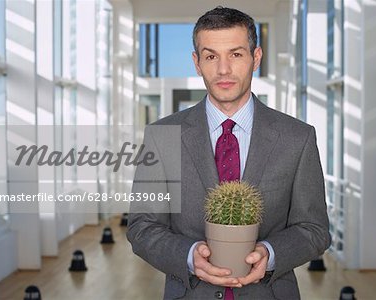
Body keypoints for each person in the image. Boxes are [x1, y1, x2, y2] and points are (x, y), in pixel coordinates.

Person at [127, 6, 330, 300]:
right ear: (197, 63)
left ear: (255, 58)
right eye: (211, 56)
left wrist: (270, 254)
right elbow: (142, 227)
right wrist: (189, 255)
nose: (223, 69)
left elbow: (314, 229)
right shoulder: (162, 137)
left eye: (235, 54)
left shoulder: (297, 137)